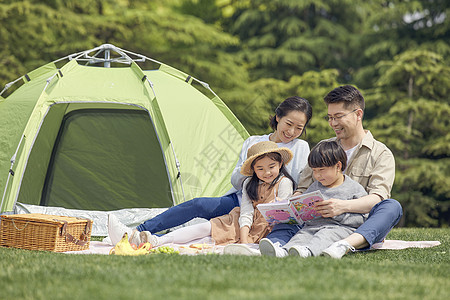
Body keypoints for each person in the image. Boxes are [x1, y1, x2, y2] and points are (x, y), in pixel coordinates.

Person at [107, 96, 313, 246]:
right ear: (278, 117)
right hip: (244, 198)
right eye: (289, 124)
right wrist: (255, 171)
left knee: (212, 231)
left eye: (299, 128)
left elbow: (299, 181)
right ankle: (138, 231)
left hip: (273, 204)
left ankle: (158, 240)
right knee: (199, 204)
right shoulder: (253, 141)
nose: (292, 132)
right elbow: (236, 179)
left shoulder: (301, 147)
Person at [261, 85, 403, 259]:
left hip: (356, 225)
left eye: (338, 117)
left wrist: (341, 206)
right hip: (316, 222)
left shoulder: (380, 153)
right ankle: (277, 246)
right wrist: (288, 205)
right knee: (289, 215)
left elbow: (377, 198)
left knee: (392, 207)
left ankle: (346, 245)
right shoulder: (323, 147)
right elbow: (303, 188)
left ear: (358, 114)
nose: (333, 123)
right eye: (329, 117)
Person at [109, 141, 296, 248]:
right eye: (260, 168)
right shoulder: (249, 182)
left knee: (207, 238)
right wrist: (245, 236)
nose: (267, 172)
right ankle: (146, 235)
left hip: (267, 224)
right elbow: (246, 213)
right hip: (241, 215)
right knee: (208, 223)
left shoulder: (285, 180)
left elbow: (281, 210)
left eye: (272, 167)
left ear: (280, 165)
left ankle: (154, 239)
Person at [258, 140, 367, 257]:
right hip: (312, 226)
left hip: (338, 228)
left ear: (338, 166)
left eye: (321, 170)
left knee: (325, 236)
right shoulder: (315, 186)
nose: (317, 175)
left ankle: (308, 251)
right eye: (314, 171)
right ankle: (284, 251)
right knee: (301, 236)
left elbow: (364, 219)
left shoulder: (353, 188)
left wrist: (338, 214)